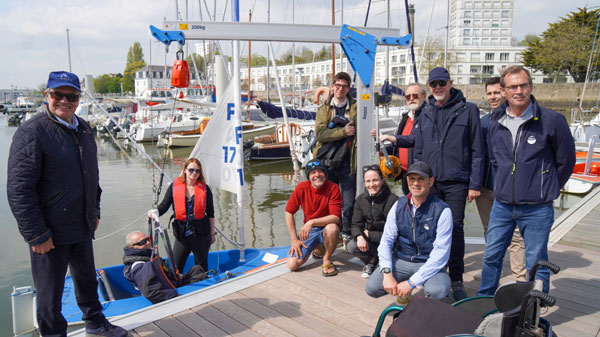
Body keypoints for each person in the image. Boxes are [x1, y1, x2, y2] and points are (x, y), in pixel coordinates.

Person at [7, 71, 127, 336]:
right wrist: (36, 233)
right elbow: (18, 189)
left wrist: (94, 211)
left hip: (81, 223)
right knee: (50, 296)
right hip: (49, 231)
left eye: (71, 96)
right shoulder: (32, 132)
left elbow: (92, 175)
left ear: (78, 99)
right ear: (47, 96)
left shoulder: (84, 128)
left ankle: (95, 323)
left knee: (86, 281)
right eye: (58, 94)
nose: (64, 101)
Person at [478, 66, 575, 296]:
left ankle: (534, 308)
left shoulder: (552, 121)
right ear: (503, 91)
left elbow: (566, 161)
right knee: (491, 254)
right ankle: (484, 299)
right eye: (512, 87)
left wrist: (546, 187)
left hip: (537, 207)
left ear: (531, 86)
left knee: (536, 260)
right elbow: (495, 159)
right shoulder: (494, 120)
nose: (519, 91)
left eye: (523, 85)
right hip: (502, 205)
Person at [414, 67, 483, 301]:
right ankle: (435, 274)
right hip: (431, 182)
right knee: (430, 229)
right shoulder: (426, 111)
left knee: (455, 229)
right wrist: (417, 180)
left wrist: (475, 184)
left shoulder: (469, 110)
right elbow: (419, 150)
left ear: (450, 83)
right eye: (433, 84)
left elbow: (477, 150)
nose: (438, 88)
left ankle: (456, 278)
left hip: (456, 182)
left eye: (442, 83)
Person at [365, 161, 452, 301]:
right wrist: (387, 273)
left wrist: (411, 283)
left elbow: (441, 254)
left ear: (431, 181)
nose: (416, 183)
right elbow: (386, 241)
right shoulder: (398, 205)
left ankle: (426, 304)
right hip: (402, 259)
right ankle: (405, 289)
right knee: (372, 288)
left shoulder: (443, 210)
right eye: (412, 179)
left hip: (428, 261)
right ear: (407, 180)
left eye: (421, 179)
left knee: (438, 292)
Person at [474, 77, 526, 282]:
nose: (493, 97)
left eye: (497, 92)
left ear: (505, 92)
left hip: (511, 189)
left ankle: (520, 277)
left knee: (515, 235)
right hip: (486, 187)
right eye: (489, 93)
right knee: (490, 231)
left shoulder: (517, 119)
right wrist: (474, 184)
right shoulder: (483, 122)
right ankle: (490, 270)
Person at [313, 71, 357, 244]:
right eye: (337, 85)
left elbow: (361, 129)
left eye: (344, 86)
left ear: (349, 88)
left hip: (348, 162)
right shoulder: (324, 109)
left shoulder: (356, 108)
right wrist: (343, 132)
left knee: (348, 204)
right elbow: (320, 134)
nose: (340, 89)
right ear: (333, 86)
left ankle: (345, 234)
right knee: (327, 202)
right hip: (328, 163)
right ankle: (328, 235)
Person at [149, 158, 215, 273]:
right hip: (182, 234)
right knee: (176, 266)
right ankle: (177, 287)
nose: (194, 173)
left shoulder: (205, 189)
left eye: (197, 171)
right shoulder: (174, 186)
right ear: (185, 170)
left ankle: (202, 285)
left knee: (201, 266)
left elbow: (211, 213)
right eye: (191, 170)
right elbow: (164, 205)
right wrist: (155, 212)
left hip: (201, 234)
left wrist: (212, 233)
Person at [285, 159, 343, 276]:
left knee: (332, 228)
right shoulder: (301, 187)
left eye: (320, 171)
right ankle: (319, 247)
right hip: (310, 231)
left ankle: (326, 259)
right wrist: (294, 240)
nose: (317, 175)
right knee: (292, 264)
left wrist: (311, 222)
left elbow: (335, 218)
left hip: (326, 227)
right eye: (313, 173)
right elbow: (289, 212)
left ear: (325, 173)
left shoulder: (333, 188)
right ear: (308, 176)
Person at [122, 231, 208, 304]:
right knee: (202, 277)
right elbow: (152, 294)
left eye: (147, 239)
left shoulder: (147, 256)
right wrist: (178, 296)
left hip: (172, 284)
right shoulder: (141, 266)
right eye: (142, 242)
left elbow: (160, 272)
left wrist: (175, 275)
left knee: (197, 269)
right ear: (132, 247)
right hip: (169, 293)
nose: (148, 242)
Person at [371, 83, 427, 195]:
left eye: (415, 96)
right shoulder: (407, 117)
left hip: (419, 172)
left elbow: (415, 139)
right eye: (408, 97)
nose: (411, 99)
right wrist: (383, 151)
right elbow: (400, 144)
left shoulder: (427, 116)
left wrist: (392, 138)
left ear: (424, 96)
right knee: (409, 203)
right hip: (405, 172)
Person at [348, 165, 399, 278]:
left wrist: (370, 234)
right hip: (372, 242)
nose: (371, 185)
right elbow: (356, 224)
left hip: (389, 243)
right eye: (368, 181)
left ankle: (380, 262)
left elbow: (396, 232)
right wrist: (359, 237)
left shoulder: (393, 200)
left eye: (375, 180)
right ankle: (372, 261)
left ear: (382, 180)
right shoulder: (361, 199)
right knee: (352, 246)